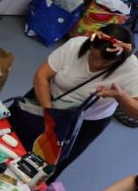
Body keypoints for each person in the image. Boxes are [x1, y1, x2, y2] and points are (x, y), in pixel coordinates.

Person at [31, 26, 138, 179]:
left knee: (53, 161)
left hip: (86, 122)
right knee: (24, 138)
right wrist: (50, 114)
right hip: (48, 100)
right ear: (89, 45)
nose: (97, 65)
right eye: (93, 57)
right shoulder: (75, 46)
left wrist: (121, 96)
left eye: (106, 63)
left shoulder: (132, 68)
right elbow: (41, 76)